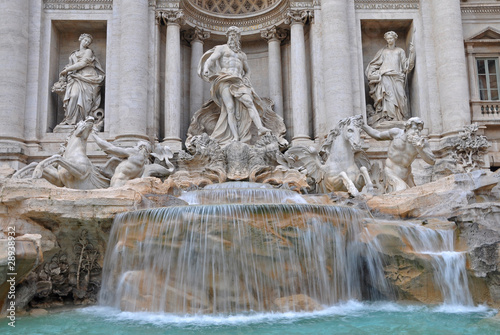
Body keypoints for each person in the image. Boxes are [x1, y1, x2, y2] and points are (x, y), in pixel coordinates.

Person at [198, 26, 270, 146]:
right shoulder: (222, 49)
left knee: (249, 103)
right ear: (228, 37)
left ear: (238, 38)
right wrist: (206, 68)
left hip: (239, 81)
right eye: (231, 35)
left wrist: (246, 78)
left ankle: (260, 128)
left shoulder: (242, 55)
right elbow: (211, 59)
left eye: (235, 35)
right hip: (224, 79)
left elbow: (248, 70)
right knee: (230, 108)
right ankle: (235, 137)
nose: (232, 37)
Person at [362, 117, 435, 193]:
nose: (417, 131)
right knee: (401, 191)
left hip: (407, 176)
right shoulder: (396, 133)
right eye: (414, 128)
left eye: (419, 129)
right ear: (407, 127)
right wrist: (363, 125)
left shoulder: (422, 143)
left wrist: (420, 149)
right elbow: (378, 135)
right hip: (391, 172)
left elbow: (432, 161)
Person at [365, 31, 415, 122]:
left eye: (391, 38)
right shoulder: (383, 52)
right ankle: (390, 118)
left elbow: (406, 67)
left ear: (395, 38)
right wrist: (373, 73)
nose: (389, 40)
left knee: (401, 97)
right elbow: (374, 64)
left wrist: (412, 54)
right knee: (388, 98)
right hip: (385, 76)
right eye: (387, 39)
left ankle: (400, 117)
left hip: (398, 77)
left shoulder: (400, 51)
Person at [91, 134, 174, 187]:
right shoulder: (142, 167)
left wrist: (93, 135)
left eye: (136, 145)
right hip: (119, 187)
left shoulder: (135, 153)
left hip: (117, 187)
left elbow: (110, 148)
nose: (134, 147)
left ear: (141, 147)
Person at [58, 33, 105, 125]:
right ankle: (70, 120)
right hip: (76, 77)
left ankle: (83, 121)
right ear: (80, 39)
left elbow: (82, 64)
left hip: (88, 77)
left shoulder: (88, 52)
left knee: (86, 101)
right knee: (74, 95)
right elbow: (72, 66)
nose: (86, 43)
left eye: (88, 42)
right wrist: (67, 73)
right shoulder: (74, 54)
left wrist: (67, 70)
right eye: (85, 40)